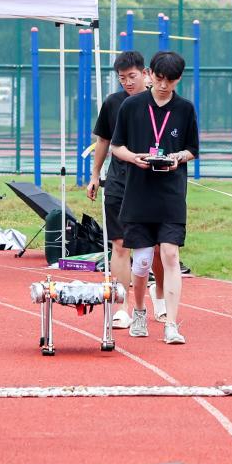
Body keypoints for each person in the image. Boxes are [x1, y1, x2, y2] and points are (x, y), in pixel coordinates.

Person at [111, 51, 199, 345]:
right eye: (159, 79)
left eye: (169, 81)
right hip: (138, 193)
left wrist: (177, 158)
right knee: (142, 261)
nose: (163, 85)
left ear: (178, 79)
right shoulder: (132, 106)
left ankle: (171, 323)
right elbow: (116, 146)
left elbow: (192, 149)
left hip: (171, 193)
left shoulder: (185, 109)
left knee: (170, 254)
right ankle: (138, 310)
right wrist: (133, 158)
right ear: (151, 74)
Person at [87, 50, 148, 329]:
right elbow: (103, 140)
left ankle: (157, 299)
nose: (127, 82)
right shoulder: (113, 103)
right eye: (122, 78)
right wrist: (95, 175)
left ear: (145, 73)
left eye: (132, 76)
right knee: (120, 245)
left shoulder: (158, 103)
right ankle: (123, 306)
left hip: (151, 185)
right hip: (118, 182)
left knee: (154, 248)